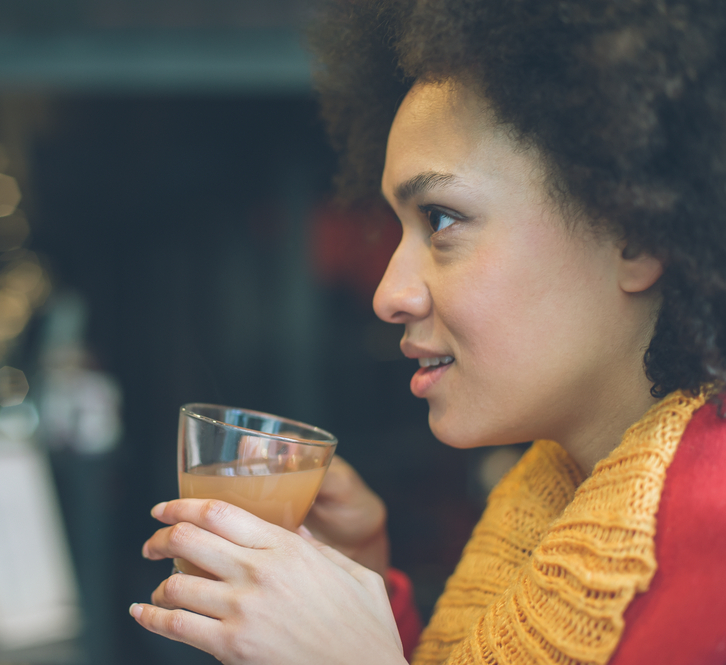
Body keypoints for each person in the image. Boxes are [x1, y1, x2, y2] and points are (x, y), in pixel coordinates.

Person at [130, 0, 726, 663]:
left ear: (634, 233)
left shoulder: (711, 529)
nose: (388, 294)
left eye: (441, 219)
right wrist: (366, 593)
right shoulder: (541, 504)